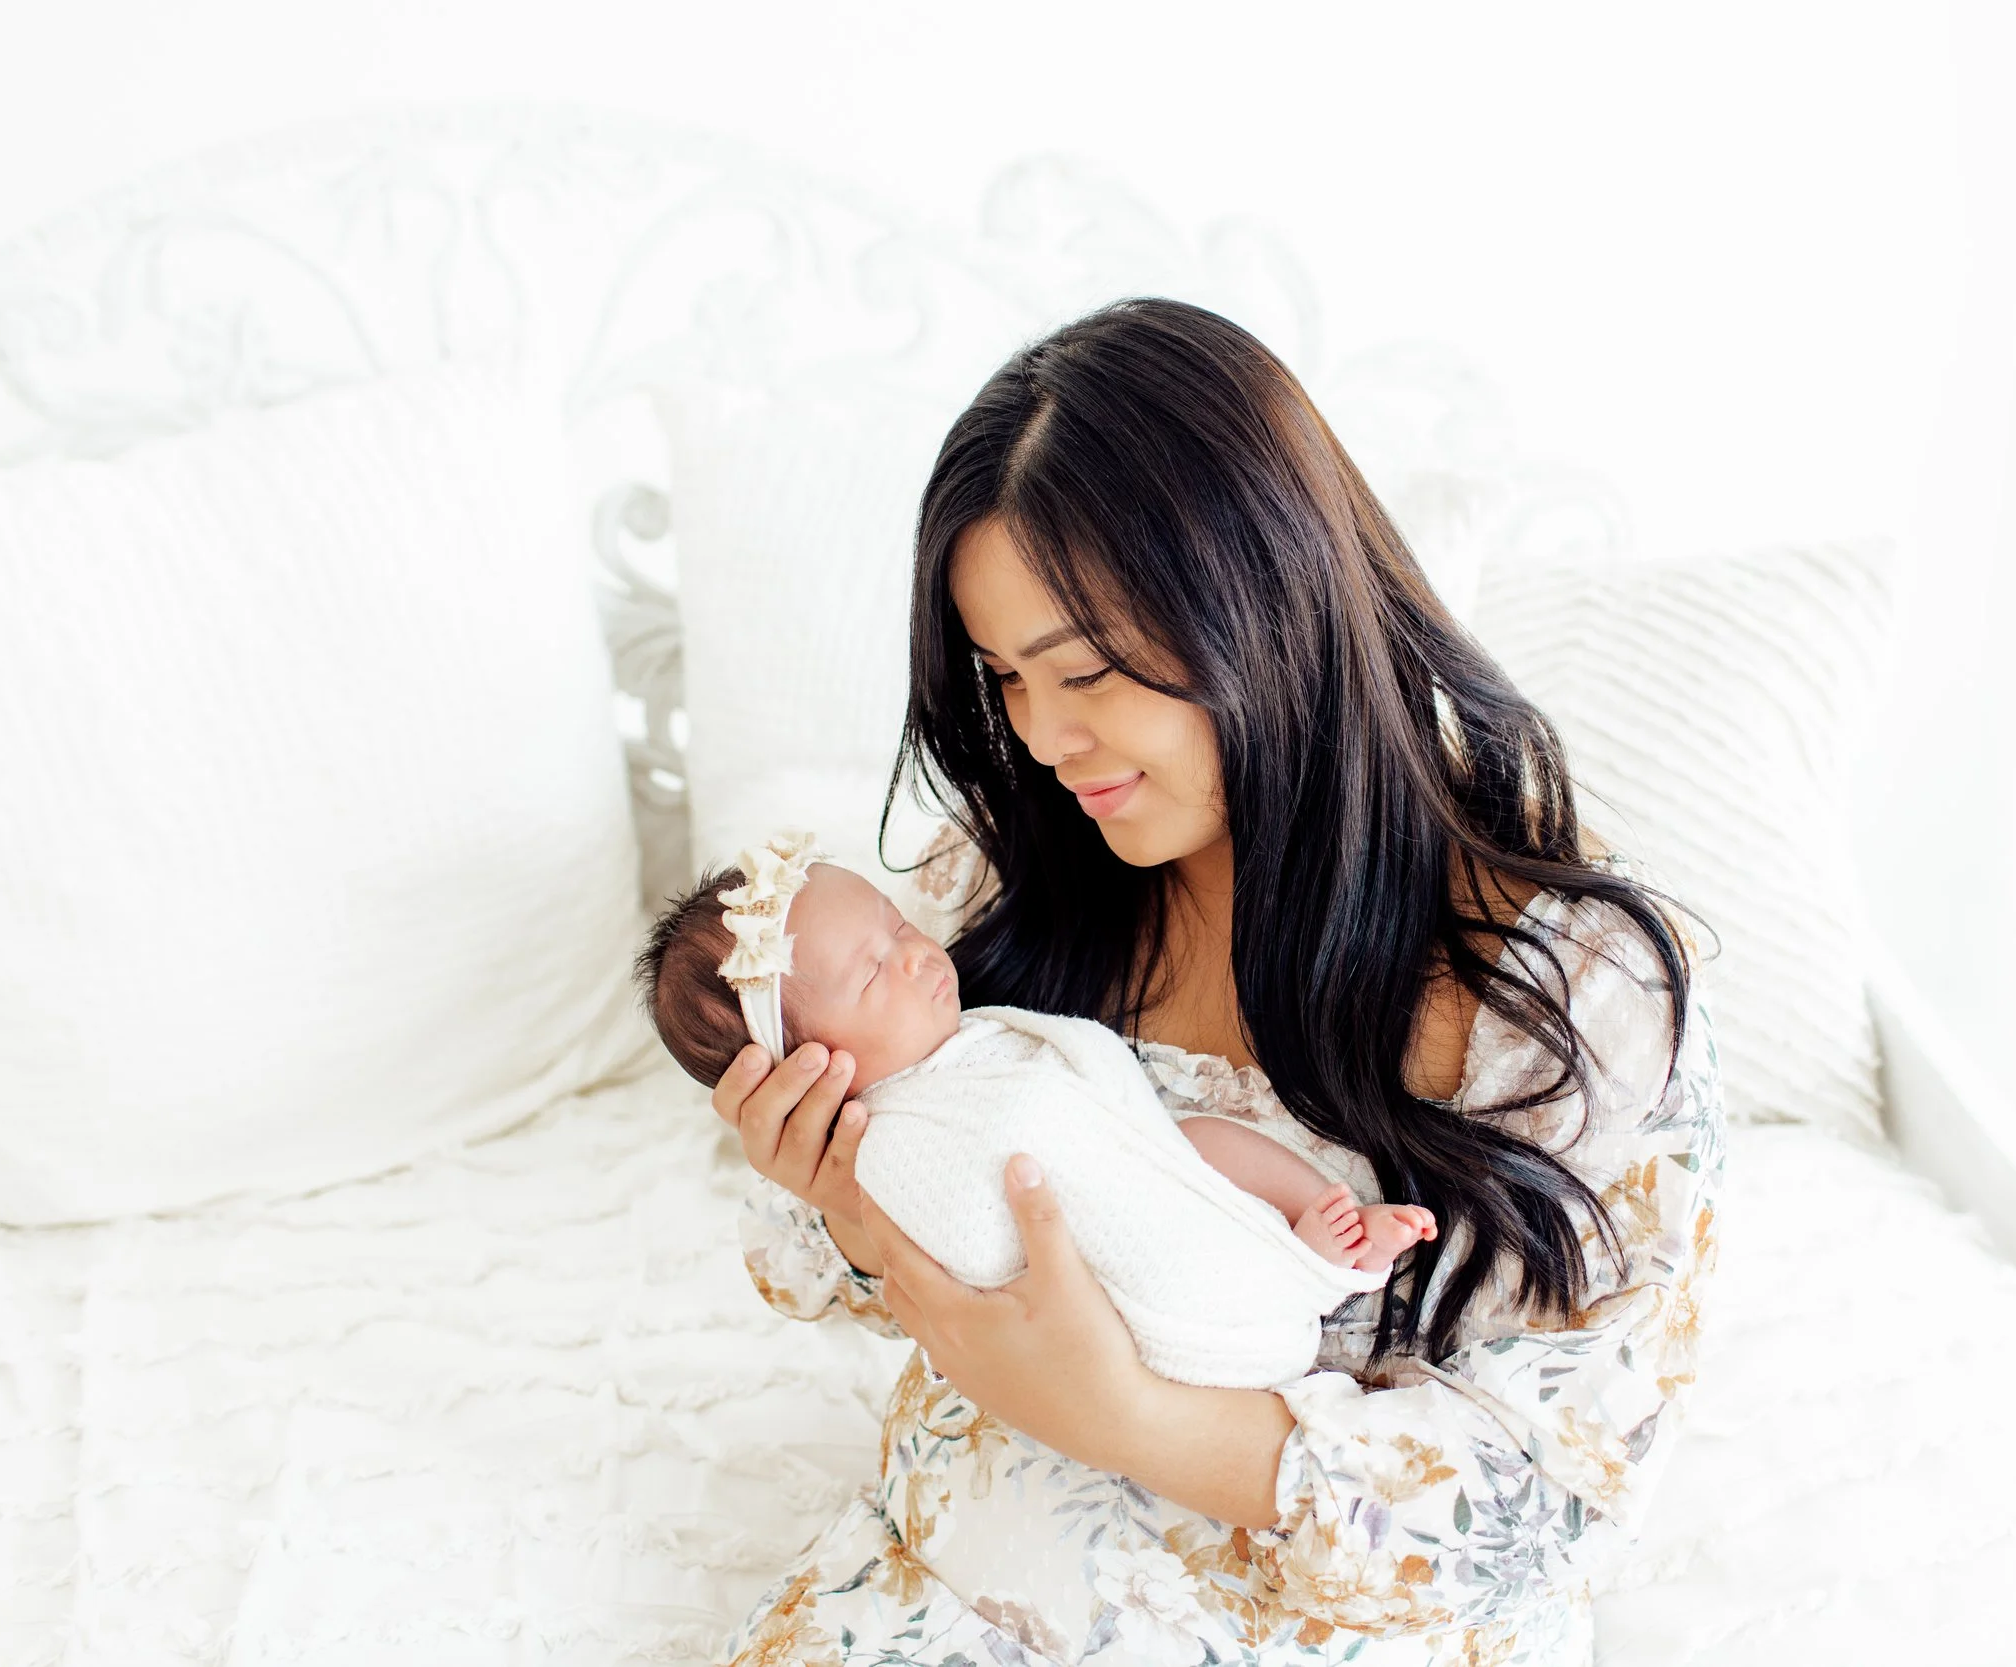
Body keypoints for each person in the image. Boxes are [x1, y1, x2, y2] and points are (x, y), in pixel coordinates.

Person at [712, 297, 1726, 1667]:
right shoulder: (1007, 877)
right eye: (1004, 675)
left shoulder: (1570, 994)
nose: (1044, 737)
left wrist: (1121, 1410)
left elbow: (1550, 1492)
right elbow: (840, 1260)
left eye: (1087, 672)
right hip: (941, 1593)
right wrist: (835, 1185)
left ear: (1269, 601)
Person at [635, 836, 1437, 1389]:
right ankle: (1291, 1273)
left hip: (1151, 1183)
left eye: (901, 924)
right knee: (1164, 1234)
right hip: (1096, 1307)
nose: (917, 952)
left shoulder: (970, 1043)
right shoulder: (890, 1140)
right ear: (806, 1068)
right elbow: (969, 1250)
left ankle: (1315, 1251)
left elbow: (1100, 1095)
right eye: (875, 972)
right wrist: (848, 1201)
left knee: (1198, 1141)